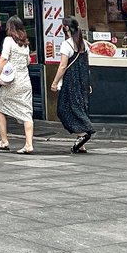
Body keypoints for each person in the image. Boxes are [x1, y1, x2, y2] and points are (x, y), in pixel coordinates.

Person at [0, 16, 34, 153]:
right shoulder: (25, 43)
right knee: (26, 112)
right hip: (25, 81)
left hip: (13, 82)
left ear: (10, 27)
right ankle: (29, 144)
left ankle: (4, 140)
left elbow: (3, 59)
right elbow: (28, 62)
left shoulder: (8, 40)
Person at [51, 17, 95, 154]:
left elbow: (63, 66)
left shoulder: (67, 45)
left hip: (71, 80)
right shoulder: (84, 44)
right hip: (82, 80)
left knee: (63, 109)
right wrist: (88, 82)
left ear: (67, 28)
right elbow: (86, 64)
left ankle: (83, 132)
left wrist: (55, 81)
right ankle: (81, 144)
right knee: (80, 107)